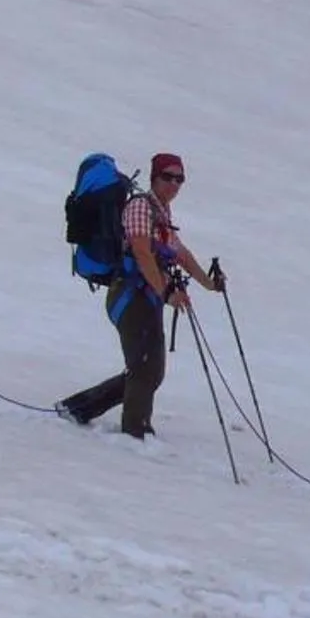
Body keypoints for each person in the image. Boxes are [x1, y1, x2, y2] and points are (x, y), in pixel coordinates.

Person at [58, 152, 220, 437]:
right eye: (167, 177)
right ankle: (135, 431)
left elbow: (179, 253)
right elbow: (142, 253)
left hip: (145, 297)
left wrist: (209, 283)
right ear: (153, 178)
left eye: (179, 178)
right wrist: (167, 291)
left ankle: (78, 408)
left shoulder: (160, 213)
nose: (174, 184)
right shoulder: (140, 208)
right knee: (145, 369)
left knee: (149, 370)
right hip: (131, 297)